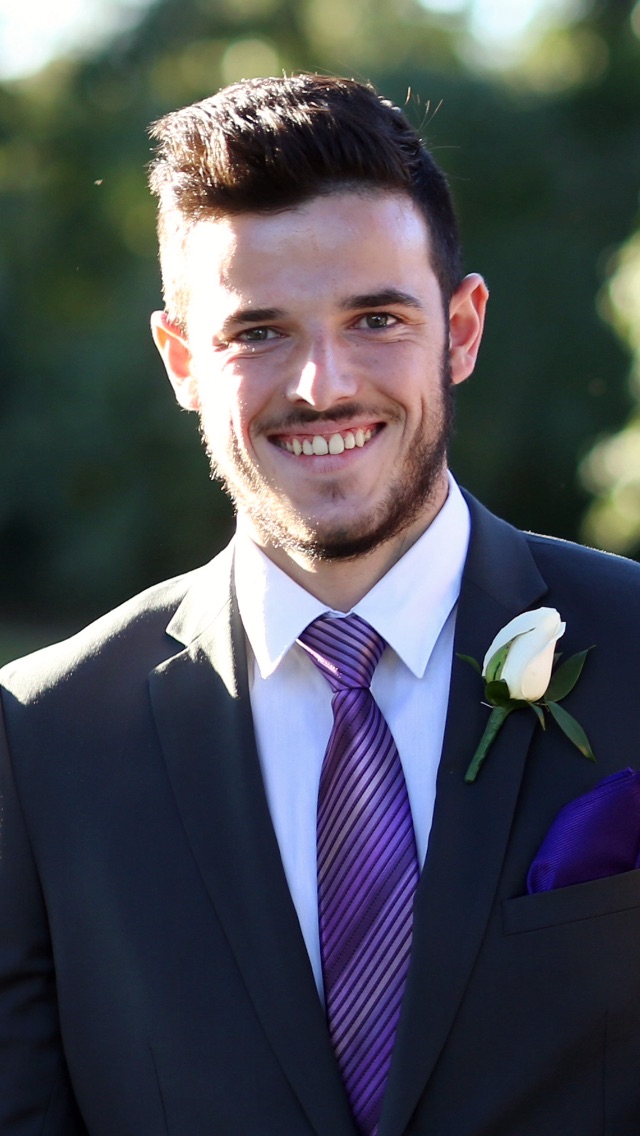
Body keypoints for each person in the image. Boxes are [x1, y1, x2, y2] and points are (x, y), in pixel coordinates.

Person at [1, 73, 640, 1136]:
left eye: (376, 318)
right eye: (258, 332)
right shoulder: (37, 740)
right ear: (181, 359)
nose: (322, 386)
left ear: (461, 328)